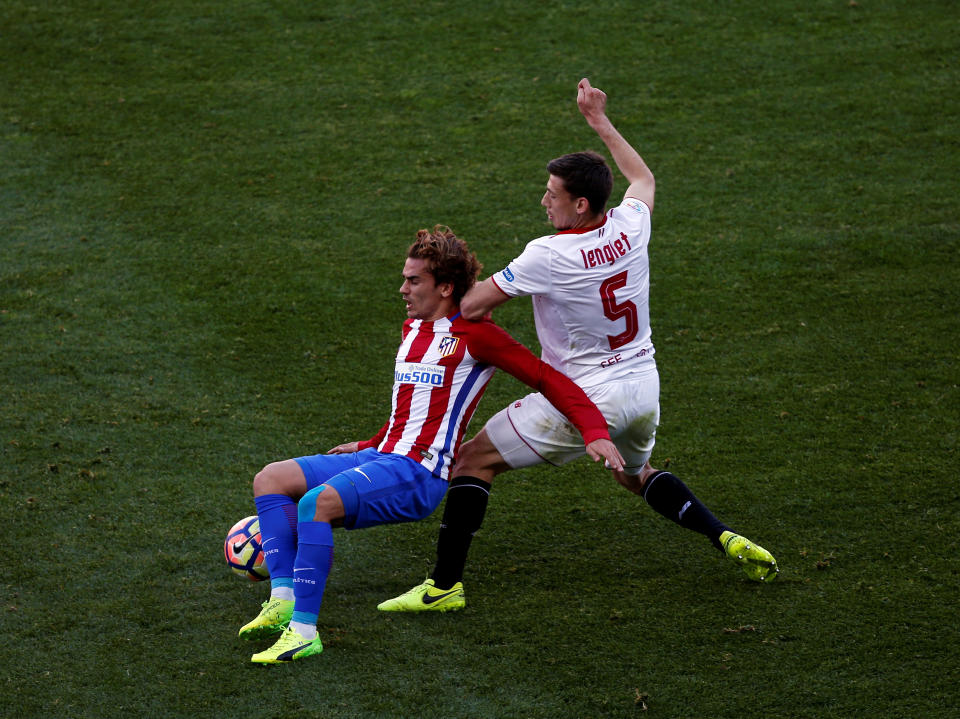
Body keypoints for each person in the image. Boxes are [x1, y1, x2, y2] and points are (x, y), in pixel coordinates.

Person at [379, 79, 778, 614]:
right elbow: (643, 177)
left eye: (553, 194)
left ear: (581, 203)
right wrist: (598, 121)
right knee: (635, 474)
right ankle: (724, 535)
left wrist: (447, 280)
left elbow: (469, 305)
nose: (544, 200)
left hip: (585, 394)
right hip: (643, 388)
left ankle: (443, 588)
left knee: (472, 462)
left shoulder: (547, 255)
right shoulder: (632, 225)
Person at [239, 225, 624, 664]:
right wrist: (368, 442)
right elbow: (412, 410)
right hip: (384, 455)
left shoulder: (477, 335)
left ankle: (304, 633)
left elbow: (546, 378)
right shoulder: (414, 328)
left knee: (315, 505)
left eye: (413, 280)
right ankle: (283, 599)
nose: (403, 288)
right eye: (405, 278)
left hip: (418, 473)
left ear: (445, 287)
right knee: (270, 479)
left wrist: (594, 431)